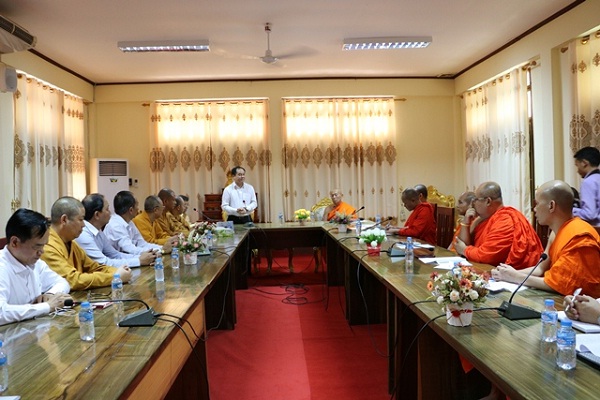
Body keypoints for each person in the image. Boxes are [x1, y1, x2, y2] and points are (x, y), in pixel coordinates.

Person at [492, 180, 600, 297]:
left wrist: (516, 277)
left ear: (551, 206)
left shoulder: (579, 235)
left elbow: (561, 283)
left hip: (583, 305)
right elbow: (540, 268)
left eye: (537, 204)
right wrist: (506, 273)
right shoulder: (555, 232)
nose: (534, 209)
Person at [41, 196, 132, 290]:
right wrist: (114, 277)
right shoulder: (47, 246)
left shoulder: (71, 243)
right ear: (64, 220)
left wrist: (119, 271)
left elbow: (94, 267)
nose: (83, 225)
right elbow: (72, 280)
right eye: (80, 220)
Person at [0, 209, 72, 326]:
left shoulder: (34, 263)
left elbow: (62, 282)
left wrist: (51, 295)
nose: (41, 252)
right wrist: (47, 306)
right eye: (37, 246)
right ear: (15, 242)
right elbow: (1, 313)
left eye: (44, 245)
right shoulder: (2, 267)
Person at [453, 181, 543, 269]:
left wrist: (465, 250)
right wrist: (466, 223)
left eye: (476, 200)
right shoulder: (485, 217)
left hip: (513, 276)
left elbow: (486, 256)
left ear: (488, 201)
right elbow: (461, 244)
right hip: (486, 269)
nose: (473, 204)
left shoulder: (505, 221)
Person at [76, 193, 156, 267]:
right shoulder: (83, 234)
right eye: (107, 209)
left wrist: (146, 257)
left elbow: (115, 254)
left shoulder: (98, 231)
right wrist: (139, 261)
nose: (110, 212)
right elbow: (103, 263)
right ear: (97, 215)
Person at [104, 191, 167, 255]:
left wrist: (162, 248)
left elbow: (142, 244)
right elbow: (130, 250)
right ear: (131, 210)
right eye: (137, 205)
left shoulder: (129, 222)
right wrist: (162, 250)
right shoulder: (115, 225)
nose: (138, 209)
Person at [572, 146, 600, 226]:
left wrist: (570, 210)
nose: (577, 170)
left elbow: (590, 214)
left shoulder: (589, 182)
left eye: (577, 165)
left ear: (584, 163)